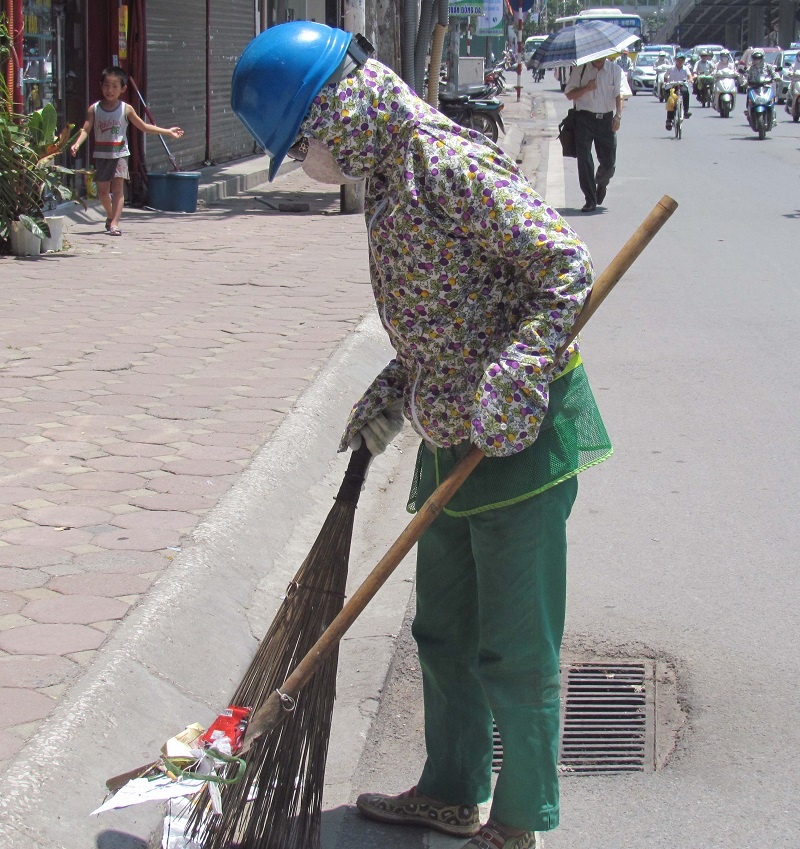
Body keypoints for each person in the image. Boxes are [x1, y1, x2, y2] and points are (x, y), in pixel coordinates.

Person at [232, 21, 612, 849]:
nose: (307, 164)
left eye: (301, 146)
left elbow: (561, 264)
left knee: (514, 647)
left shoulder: (442, 161)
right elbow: (445, 297)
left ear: (338, 111)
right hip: (453, 427)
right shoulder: (389, 175)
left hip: (519, 436)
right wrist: (401, 377)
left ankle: (518, 821)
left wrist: (514, 373)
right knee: (443, 630)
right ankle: (450, 788)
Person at [69, 66, 184, 236]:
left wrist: (167, 131)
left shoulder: (126, 109)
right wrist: (77, 143)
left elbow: (143, 126)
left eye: (115, 86)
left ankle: (114, 223)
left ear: (123, 89)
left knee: (118, 190)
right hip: (101, 155)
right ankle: (110, 216)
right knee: (102, 192)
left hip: (120, 154)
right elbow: (86, 129)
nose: (110, 90)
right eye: (107, 85)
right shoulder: (94, 109)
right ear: (101, 86)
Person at [564, 54, 628, 212]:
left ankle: (601, 183)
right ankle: (590, 199)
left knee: (609, 163)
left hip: (606, 120)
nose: (599, 58)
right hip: (584, 119)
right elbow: (569, 94)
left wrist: (618, 115)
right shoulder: (581, 70)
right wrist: (586, 88)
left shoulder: (615, 70)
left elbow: (620, 94)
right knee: (584, 160)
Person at [664, 53, 693, 131]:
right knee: (671, 100)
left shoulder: (685, 68)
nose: (680, 61)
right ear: (675, 60)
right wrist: (666, 82)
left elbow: (689, 76)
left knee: (686, 92)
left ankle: (686, 111)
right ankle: (669, 119)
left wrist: (690, 80)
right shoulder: (671, 68)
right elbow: (665, 77)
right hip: (673, 86)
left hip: (682, 85)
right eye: (678, 60)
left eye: (682, 60)